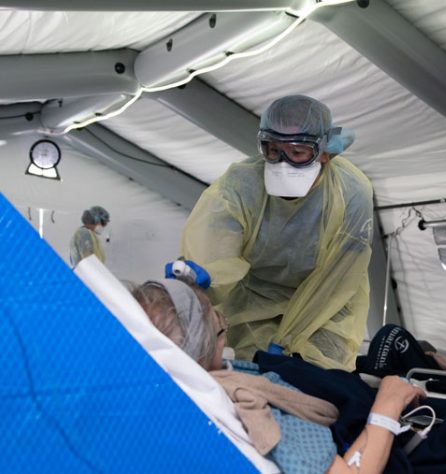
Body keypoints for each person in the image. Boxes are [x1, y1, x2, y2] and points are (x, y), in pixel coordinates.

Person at [132, 276, 424, 474]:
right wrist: (388, 404)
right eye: (212, 314)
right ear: (203, 342)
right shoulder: (245, 407)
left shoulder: (167, 410)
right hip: (392, 431)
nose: (221, 318)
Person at [181, 95, 374, 371]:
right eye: (273, 150)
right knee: (252, 373)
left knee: (317, 377)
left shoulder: (352, 192)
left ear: (325, 152)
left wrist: (290, 340)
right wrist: (204, 276)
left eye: (297, 153)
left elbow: (338, 277)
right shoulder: (241, 183)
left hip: (326, 303)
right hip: (255, 299)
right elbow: (215, 244)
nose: (282, 163)